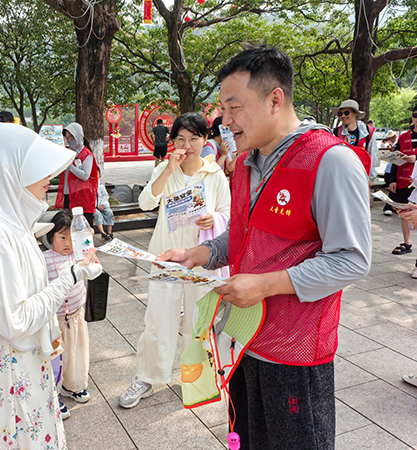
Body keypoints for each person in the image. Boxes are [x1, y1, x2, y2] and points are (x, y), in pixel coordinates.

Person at [158, 46, 372, 449]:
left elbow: (351, 260)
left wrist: (265, 284)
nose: (225, 120)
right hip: (242, 340)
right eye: (223, 108)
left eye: (235, 107)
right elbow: (245, 232)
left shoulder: (330, 160)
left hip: (295, 352)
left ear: (275, 99)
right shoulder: (243, 164)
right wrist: (201, 254)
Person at [0, 123, 102, 449]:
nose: (49, 178)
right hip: (12, 369)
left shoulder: (10, 223)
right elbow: (15, 320)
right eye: (39, 169)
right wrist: (71, 276)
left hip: (23, 361)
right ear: (12, 174)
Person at [118, 112, 231, 409]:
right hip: (166, 257)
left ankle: (196, 378)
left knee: (199, 320)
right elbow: (145, 202)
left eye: (194, 138)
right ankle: (147, 377)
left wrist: (214, 218)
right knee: (158, 319)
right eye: (180, 139)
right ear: (172, 142)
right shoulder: (165, 169)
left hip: (202, 259)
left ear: (205, 140)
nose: (187, 145)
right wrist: (168, 169)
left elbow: (228, 214)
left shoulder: (214, 175)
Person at [43, 210, 93, 420]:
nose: (68, 243)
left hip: (75, 316)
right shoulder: (43, 259)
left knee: (76, 353)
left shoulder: (78, 256)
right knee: (55, 359)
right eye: (62, 237)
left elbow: (92, 269)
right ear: (50, 236)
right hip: (54, 321)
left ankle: (72, 386)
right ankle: (53, 394)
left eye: (72, 238)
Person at [55, 123, 99, 226]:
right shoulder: (69, 152)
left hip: (82, 195)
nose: (69, 140)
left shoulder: (87, 154)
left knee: (84, 225)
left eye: (71, 137)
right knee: (70, 225)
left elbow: (85, 175)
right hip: (69, 193)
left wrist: (70, 166)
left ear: (78, 136)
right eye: (67, 138)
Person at [388, 106, 417, 259]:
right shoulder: (403, 137)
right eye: (415, 115)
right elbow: (395, 158)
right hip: (403, 179)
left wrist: (416, 159)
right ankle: (407, 242)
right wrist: (392, 179)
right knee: (404, 211)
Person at [332, 99, 379, 187]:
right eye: (340, 114)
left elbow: (372, 155)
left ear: (355, 113)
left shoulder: (368, 131)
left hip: (362, 176)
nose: (343, 116)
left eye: (346, 113)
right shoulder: (336, 132)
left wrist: (370, 178)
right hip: (342, 177)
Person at [380, 130, 398, 215]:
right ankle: (389, 207)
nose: (390, 140)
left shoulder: (397, 144)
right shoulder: (390, 146)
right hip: (390, 171)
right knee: (393, 189)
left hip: (395, 169)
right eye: (388, 138)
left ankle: (391, 207)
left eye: (391, 138)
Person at [94, 174, 114, 241]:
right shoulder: (89, 186)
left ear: (99, 176)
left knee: (109, 212)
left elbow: (105, 196)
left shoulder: (101, 186)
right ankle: (103, 233)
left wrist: (102, 205)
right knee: (97, 214)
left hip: (102, 206)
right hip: (93, 207)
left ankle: (109, 232)